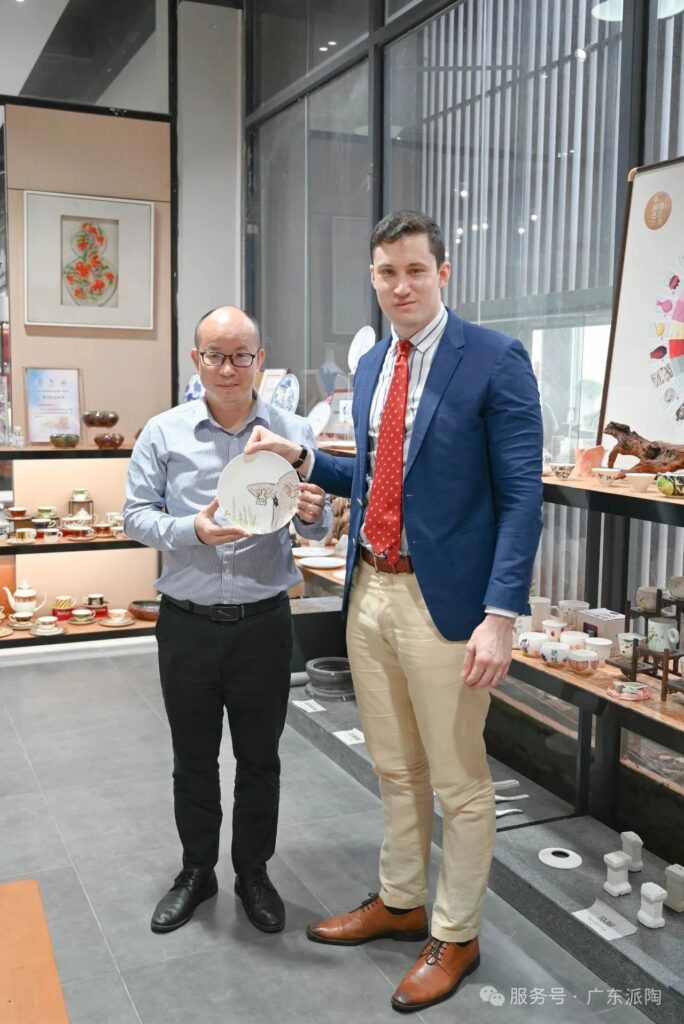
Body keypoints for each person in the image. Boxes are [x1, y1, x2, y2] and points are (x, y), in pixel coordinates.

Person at [245, 212, 543, 1013]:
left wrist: (501, 614)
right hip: (371, 588)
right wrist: (304, 457)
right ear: (373, 278)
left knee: (459, 780)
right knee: (395, 767)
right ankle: (403, 900)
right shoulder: (376, 362)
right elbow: (379, 477)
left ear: (443, 272)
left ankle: (457, 933)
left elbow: (522, 498)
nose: (401, 285)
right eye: (387, 272)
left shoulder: (495, 359)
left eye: (415, 270)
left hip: (449, 606)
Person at [124, 306, 331, 936]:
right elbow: (135, 516)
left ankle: (253, 871)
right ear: (196, 360)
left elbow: (316, 523)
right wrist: (194, 529)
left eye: (242, 355)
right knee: (192, 757)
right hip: (186, 622)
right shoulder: (164, 431)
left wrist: (314, 512)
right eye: (215, 354)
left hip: (263, 622)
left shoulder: (292, 431)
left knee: (260, 758)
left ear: (260, 360)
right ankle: (196, 871)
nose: (228, 367)